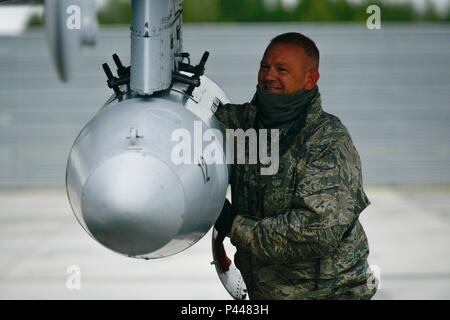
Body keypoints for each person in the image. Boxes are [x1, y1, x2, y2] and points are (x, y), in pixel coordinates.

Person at [213, 32, 377, 300]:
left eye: (282, 70)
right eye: (264, 67)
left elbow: (314, 231)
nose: (268, 76)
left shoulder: (327, 140)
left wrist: (235, 225)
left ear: (310, 79)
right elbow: (188, 132)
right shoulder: (240, 124)